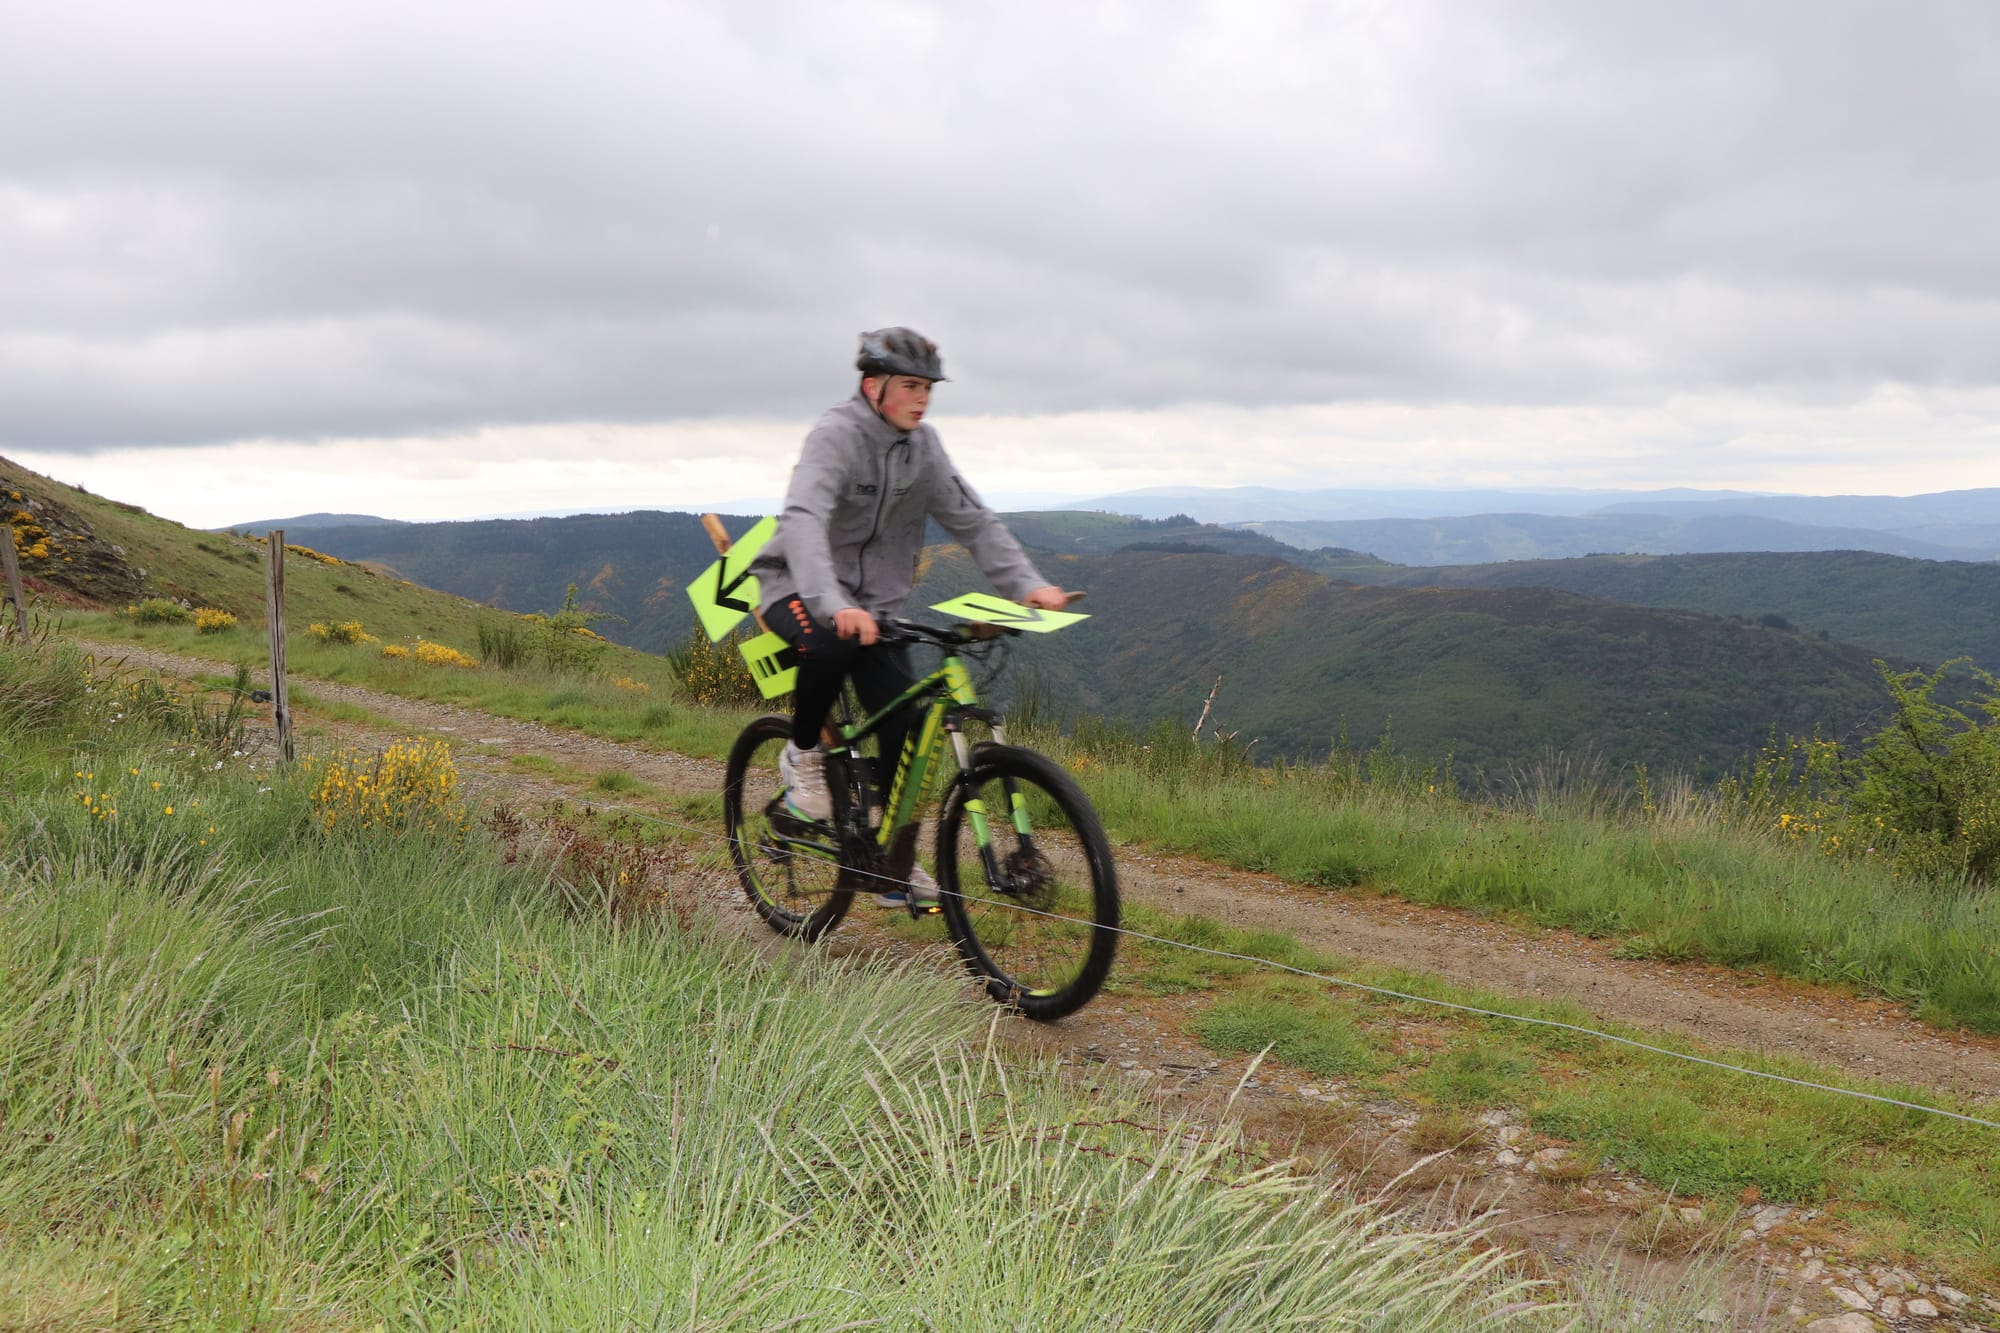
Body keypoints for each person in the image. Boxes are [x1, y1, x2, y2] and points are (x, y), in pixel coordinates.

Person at [749, 327, 1071, 907]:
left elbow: (973, 520)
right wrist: (834, 604)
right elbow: (801, 521)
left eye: (927, 388)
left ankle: (889, 866)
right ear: (873, 386)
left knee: (907, 722)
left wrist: (1029, 585)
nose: (921, 399)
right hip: (796, 585)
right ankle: (802, 757)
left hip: (875, 609)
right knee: (830, 645)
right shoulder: (836, 437)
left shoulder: (924, 449)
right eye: (909, 386)